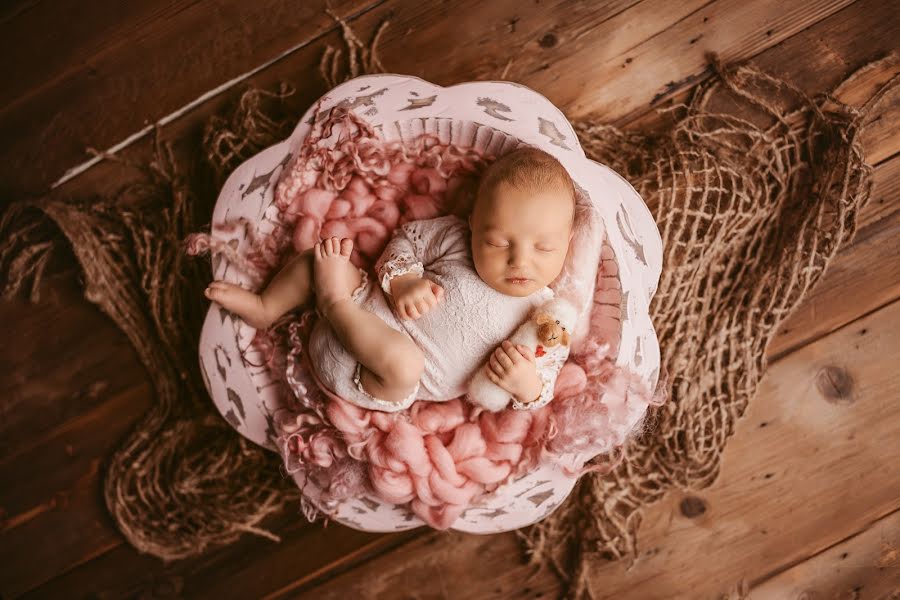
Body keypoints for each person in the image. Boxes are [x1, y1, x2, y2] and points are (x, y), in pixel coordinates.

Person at [205, 146, 576, 412]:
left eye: (544, 248)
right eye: (497, 242)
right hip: (366, 302)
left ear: (568, 242)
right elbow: (405, 242)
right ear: (474, 222)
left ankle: (332, 304)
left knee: (404, 361)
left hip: (378, 378)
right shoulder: (452, 237)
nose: (519, 260)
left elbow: (544, 385)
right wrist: (403, 281)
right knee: (323, 259)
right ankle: (266, 307)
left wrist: (524, 383)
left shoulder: (544, 317)